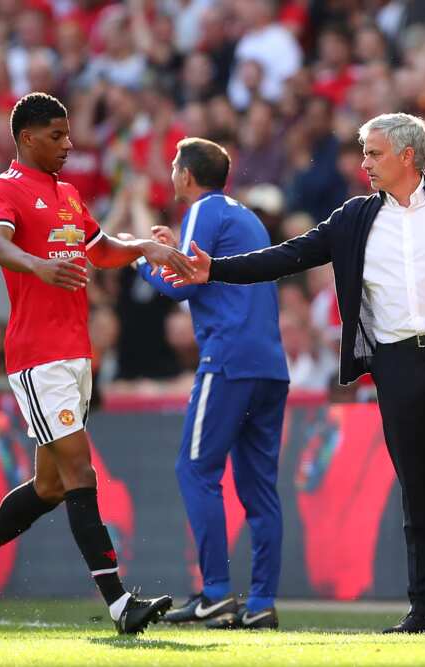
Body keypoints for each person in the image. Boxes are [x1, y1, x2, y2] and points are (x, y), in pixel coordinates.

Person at [167, 113, 425, 635]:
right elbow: (287, 256)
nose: (364, 163)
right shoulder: (353, 217)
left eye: (373, 154)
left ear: (407, 156)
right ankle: (424, 610)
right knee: (416, 489)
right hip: (396, 363)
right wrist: (215, 270)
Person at [0, 92, 193, 634]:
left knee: (50, 485)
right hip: (38, 356)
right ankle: (121, 606)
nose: (69, 144)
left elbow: (99, 249)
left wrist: (146, 246)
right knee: (80, 472)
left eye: (69, 134)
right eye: (56, 135)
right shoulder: (3, 189)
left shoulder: (68, 194)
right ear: (27, 137)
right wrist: (37, 266)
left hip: (75, 353)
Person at [135, 137, 290, 630]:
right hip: (270, 364)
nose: (172, 174)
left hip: (227, 360)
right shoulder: (245, 216)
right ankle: (262, 602)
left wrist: (140, 258)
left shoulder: (204, 209)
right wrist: (170, 249)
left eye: (175, 167)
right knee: (260, 490)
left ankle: (217, 594)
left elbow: (180, 280)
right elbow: (198, 266)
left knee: (195, 470)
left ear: (186, 174)